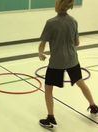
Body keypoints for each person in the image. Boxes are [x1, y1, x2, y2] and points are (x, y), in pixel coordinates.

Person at [38, 0, 98, 129]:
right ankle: (93, 106)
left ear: (57, 5)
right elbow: (76, 43)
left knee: (48, 89)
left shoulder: (51, 23)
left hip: (56, 62)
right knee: (81, 83)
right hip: (72, 59)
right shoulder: (74, 21)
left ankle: (50, 118)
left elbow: (42, 44)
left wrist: (40, 53)